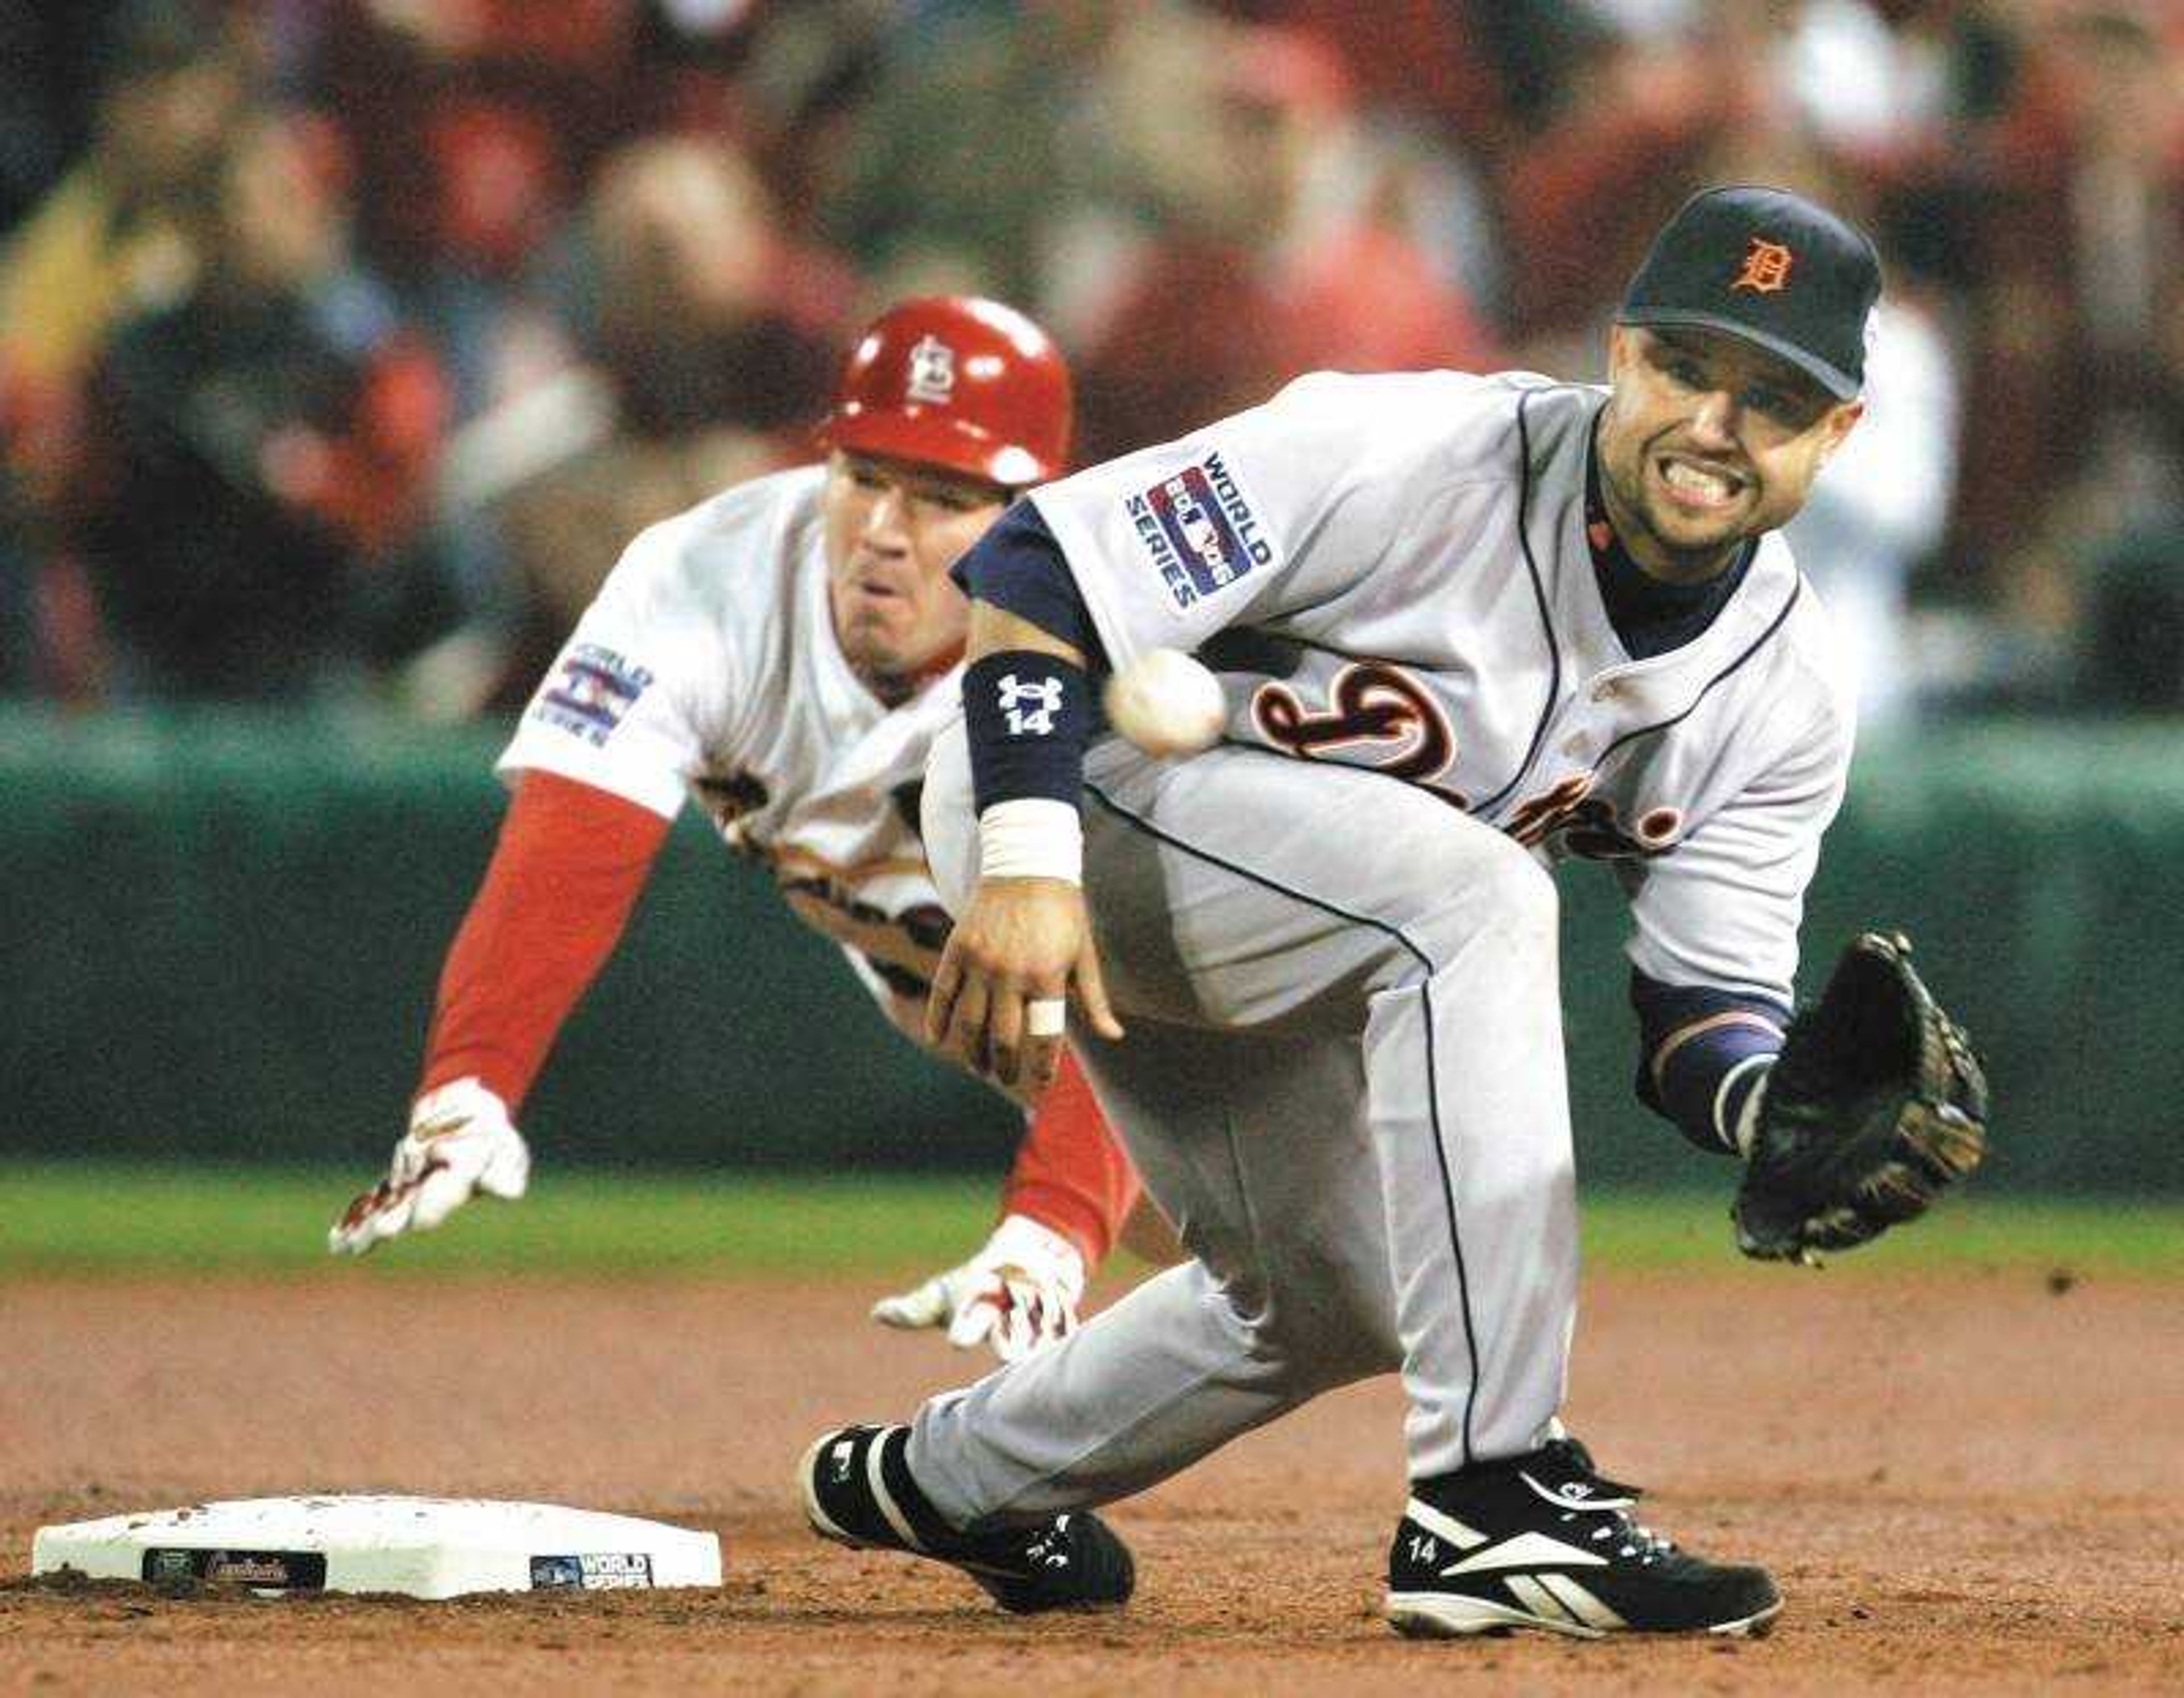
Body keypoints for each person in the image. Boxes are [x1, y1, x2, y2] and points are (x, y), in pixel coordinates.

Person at [797, 187, 1929, 1632]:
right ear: (1621, 352)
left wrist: (1773, 1108)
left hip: (1296, 905)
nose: (1715, 424)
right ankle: (1494, 1492)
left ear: (1835, 436)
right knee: (1478, 897)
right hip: (1064, 788)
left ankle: (947, 1481)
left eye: (1772, 399)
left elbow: (1698, 1011)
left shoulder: (1785, 694)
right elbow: (1038, 564)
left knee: (1329, 1298)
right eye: (1689, 368)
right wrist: (1024, 857)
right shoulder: (1406, 450)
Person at [329, 296, 1147, 1364]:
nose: (886, 535)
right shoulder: (705, 580)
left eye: (943, 497)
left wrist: (1049, 1229)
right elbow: (571, 845)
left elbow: (1152, 975)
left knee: (1313, 1239)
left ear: (1027, 517)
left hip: (1174, 988)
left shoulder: (1100, 632)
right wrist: (468, 1081)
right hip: (957, 991)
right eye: (865, 478)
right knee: (1237, 1245)